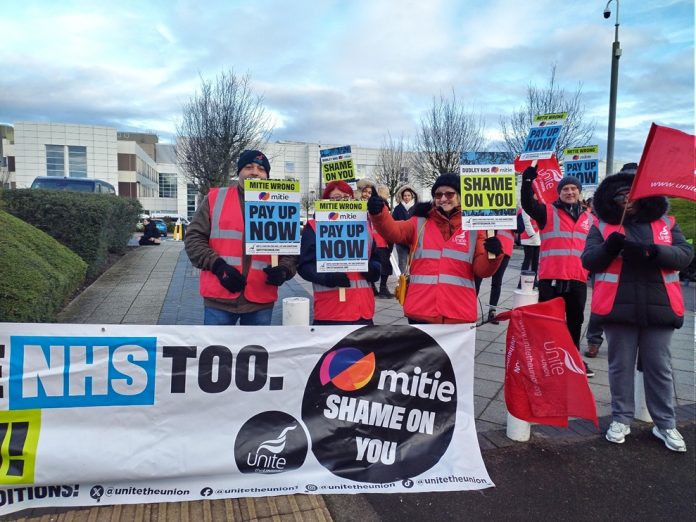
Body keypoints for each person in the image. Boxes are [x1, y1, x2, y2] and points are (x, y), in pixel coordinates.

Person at [581, 171, 693, 452]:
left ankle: (665, 423)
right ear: (611, 199)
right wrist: (609, 248)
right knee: (620, 367)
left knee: (659, 367)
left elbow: (684, 255)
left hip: (660, 307)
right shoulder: (602, 225)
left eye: (631, 195)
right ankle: (621, 419)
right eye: (620, 196)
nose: (627, 200)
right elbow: (589, 260)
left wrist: (652, 251)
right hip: (618, 307)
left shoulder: (666, 222)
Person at [367, 173, 504, 324]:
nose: (443, 198)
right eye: (438, 194)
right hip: (421, 310)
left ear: (460, 196)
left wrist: (494, 255)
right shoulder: (420, 222)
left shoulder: (474, 228)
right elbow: (393, 230)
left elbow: (482, 270)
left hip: (457, 312)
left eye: (449, 194)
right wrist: (379, 213)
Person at [184, 150, 297, 325]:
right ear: (239, 173)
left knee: (257, 351)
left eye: (261, 169)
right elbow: (193, 238)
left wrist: (284, 269)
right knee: (216, 349)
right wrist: (218, 266)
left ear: (267, 175)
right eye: (248, 167)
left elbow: (290, 250)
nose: (254, 172)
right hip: (219, 298)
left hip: (260, 300)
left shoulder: (281, 204)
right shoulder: (215, 198)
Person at [521, 167, 595, 377]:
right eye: (565, 189)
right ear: (559, 192)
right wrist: (527, 181)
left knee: (575, 321)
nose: (570, 192)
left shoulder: (589, 219)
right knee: (547, 322)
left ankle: (572, 358)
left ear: (579, 192)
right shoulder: (547, 211)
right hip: (550, 278)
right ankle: (544, 358)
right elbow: (527, 204)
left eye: (573, 188)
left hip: (577, 279)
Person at [298, 180, 381, 325]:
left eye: (346, 197)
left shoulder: (364, 226)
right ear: (326, 201)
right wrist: (328, 278)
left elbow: (375, 257)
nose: (341, 201)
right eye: (336, 198)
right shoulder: (314, 227)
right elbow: (304, 267)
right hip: (331, 311)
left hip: (363, 310)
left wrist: (373, 269)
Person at [358, 179, 392, 298]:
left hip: (380, 239)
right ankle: (372, 287)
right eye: (365, 192)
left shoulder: (377, 205)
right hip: (365, 241)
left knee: (385, 265)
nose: (367, 194)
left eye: (369, 192)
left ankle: (382, 287)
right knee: (369, 265)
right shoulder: (355, 206)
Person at [475, 229, 515, 324]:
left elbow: (520, 228)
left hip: (504, 249)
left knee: (497, 282)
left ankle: (492, 312)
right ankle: (470, 308)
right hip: (484, 244)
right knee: (477, 279)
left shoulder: (513, 214)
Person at [392, 184, 419, 274]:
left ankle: (413, 280)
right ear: (402, 196)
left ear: (412, 196)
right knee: (402, 263)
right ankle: (402, 282)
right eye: (405, 196)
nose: (407, 197)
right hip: (401, 240)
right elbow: (393, 222)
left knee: (414, 262)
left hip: (414, 240)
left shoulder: (417, 207)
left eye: (408, 195)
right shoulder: (398, 209)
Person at [518, 207, 540, 287]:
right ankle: (521, 282)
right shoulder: (526, 207)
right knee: (527, 261)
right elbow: (526, 221)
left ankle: (534, 281)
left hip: (537, 238)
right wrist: (532, 235)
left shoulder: (537, 206)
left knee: (535, 261)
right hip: (529, 238)